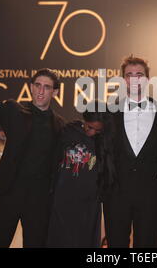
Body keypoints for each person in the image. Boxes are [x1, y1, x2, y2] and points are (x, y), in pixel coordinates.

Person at [0, 46, 64, 248]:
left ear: (54, 92)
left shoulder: (61, 125)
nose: (41, 90)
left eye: (46, 87)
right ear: (32, 87)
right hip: (9, 193)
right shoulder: (14, 111)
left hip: (39, 199)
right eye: (37, 85)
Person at [103, 55, 157, 248]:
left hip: (151, 194)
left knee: (148, 245)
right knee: (116, 244)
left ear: (147, 79)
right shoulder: (109, 113)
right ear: (124, 80)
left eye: (139, 74)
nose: (135, 79)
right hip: (116, 193)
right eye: (130, 75)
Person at [46, 103, 116, 247]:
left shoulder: (105, 141)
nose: (92, 133)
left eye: (97, 130)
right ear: (84, 119)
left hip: (89, 204)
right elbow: (52, 161)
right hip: (62, 199)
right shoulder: (68, 131)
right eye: (89, 127)